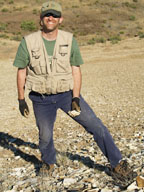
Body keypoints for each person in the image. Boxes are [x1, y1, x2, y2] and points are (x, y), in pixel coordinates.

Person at [13, 0, 137, 189]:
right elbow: (21, 71)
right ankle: (48, 163)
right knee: (45, 135)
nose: (50, 18)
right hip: (41, 98)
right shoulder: (28, 42)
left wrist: (76, 97)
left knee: (96, 126)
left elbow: (76, 69)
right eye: (47, 15)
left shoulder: (69, 40)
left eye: (54, 15)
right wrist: (21, 99)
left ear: (60, 19)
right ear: (41, 19)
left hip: (66, 95)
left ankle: (117, 164)